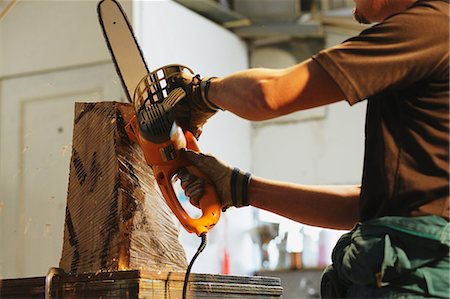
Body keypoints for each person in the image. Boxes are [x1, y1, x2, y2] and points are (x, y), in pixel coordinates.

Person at [169, 0, 449, 297]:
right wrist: (240, 188)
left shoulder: (429, 28)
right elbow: (364, 207)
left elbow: (267, 94)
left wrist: (198, 93)